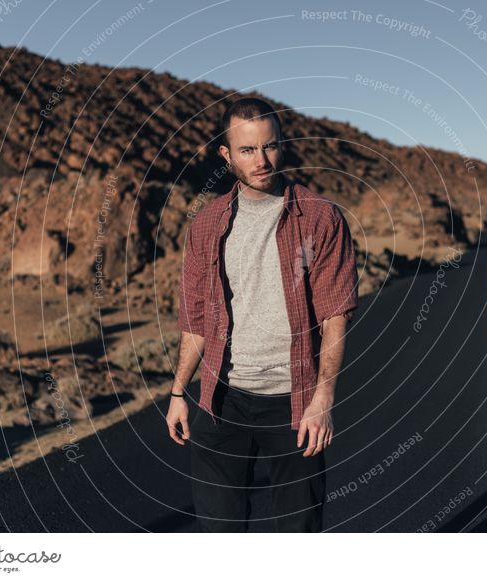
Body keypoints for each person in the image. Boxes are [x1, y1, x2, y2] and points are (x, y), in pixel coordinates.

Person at [166, 96, 358, 532]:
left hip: (293, 404)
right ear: (226, 155)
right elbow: (196, 319)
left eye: (269, 146)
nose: (261, 159)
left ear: (282, 145)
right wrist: (179, 393)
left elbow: (334, 314)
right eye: (248, 150)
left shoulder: (320, 219)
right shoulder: (207, 225)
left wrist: (323, 401)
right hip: (222, 403)